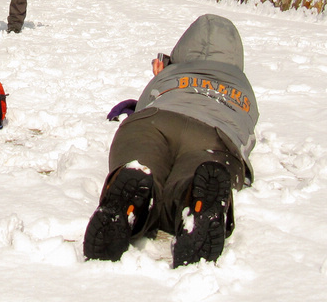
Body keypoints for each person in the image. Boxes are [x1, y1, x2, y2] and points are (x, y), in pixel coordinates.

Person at [83, 14, 259, 267]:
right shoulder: (242, 86)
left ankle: (135, 188)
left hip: (154, 121)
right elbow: (247, 133)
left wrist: (162, 75)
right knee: (198, 171)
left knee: (141, 153)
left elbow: (144, 105)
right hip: (215, 135)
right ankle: (191, 202)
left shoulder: (170, 72)